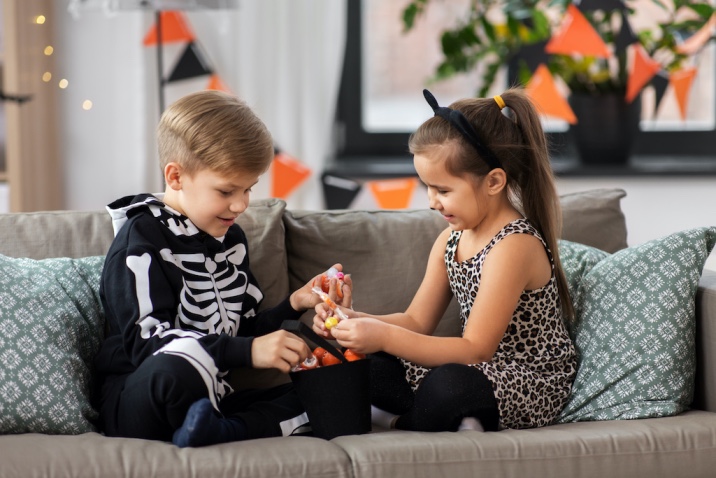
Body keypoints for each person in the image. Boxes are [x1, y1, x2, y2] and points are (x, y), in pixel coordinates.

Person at [94, 90, 351, 447]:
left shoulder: (231, 240)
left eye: (248, 189)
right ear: (176, 176)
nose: (242, 204)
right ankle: (220, 424)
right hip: (140, 395)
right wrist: (247, 352)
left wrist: (294, 303)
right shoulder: (140, 242)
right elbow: (146, 344)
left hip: (213, 400)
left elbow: (242, 331)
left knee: (333, 390)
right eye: (227, 190)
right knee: (173, 368)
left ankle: (224, 430)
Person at [313, 88, 577, 432]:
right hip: (475, 369)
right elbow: (415, 321)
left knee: (451, 385)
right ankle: (445, 419)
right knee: (369, 363)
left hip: (527, 382)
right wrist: (354, 321)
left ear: (494, 182)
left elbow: (476, 349)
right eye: (427, 187)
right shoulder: (451, 240)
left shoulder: (515, 245)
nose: (432, 202)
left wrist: (383, 336)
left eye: (443, 190)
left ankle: (404, 420)